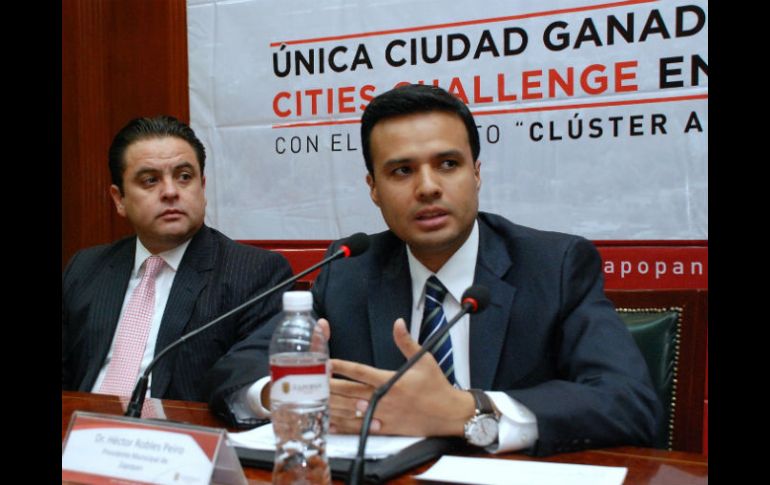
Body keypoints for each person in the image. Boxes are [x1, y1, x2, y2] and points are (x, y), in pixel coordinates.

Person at [205, 85, 661, 455]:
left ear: (476, 173)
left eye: (447, 164)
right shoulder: (348, 272)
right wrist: (287, 392)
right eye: (402, 171)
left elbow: (629, 401)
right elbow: (234, 371)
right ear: (374, 188)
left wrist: (466, 411)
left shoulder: (554, 266)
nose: (427, 187)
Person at [62, 115, 293, 409]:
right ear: (119, 199)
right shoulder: (85, 268)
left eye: (184, 176)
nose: (171, 192)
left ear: (202, 187)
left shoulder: (254, 274)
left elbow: (244, 385)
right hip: (79, 428)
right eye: (150, 180)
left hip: (176, 433)